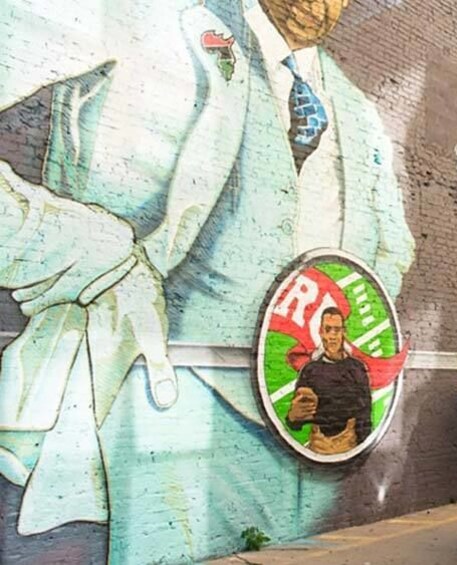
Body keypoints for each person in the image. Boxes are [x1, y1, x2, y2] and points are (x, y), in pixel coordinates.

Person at [0, 0, 416, 552]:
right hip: (172, 389)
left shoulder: (359, 113)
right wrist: (79, 243)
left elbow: (394, 243)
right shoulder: (159, 19)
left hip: (314, 430)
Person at [286, 307, 371, 454]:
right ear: (321, 332)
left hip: (348, 448)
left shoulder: (357, 369)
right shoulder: (310, 370)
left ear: (344, 332)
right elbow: (295, 422)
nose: (332, 336)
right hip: (318, 449)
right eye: (328, 329)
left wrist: (359, 449)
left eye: (337, 330)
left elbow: (365, 418)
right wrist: (293, 416)